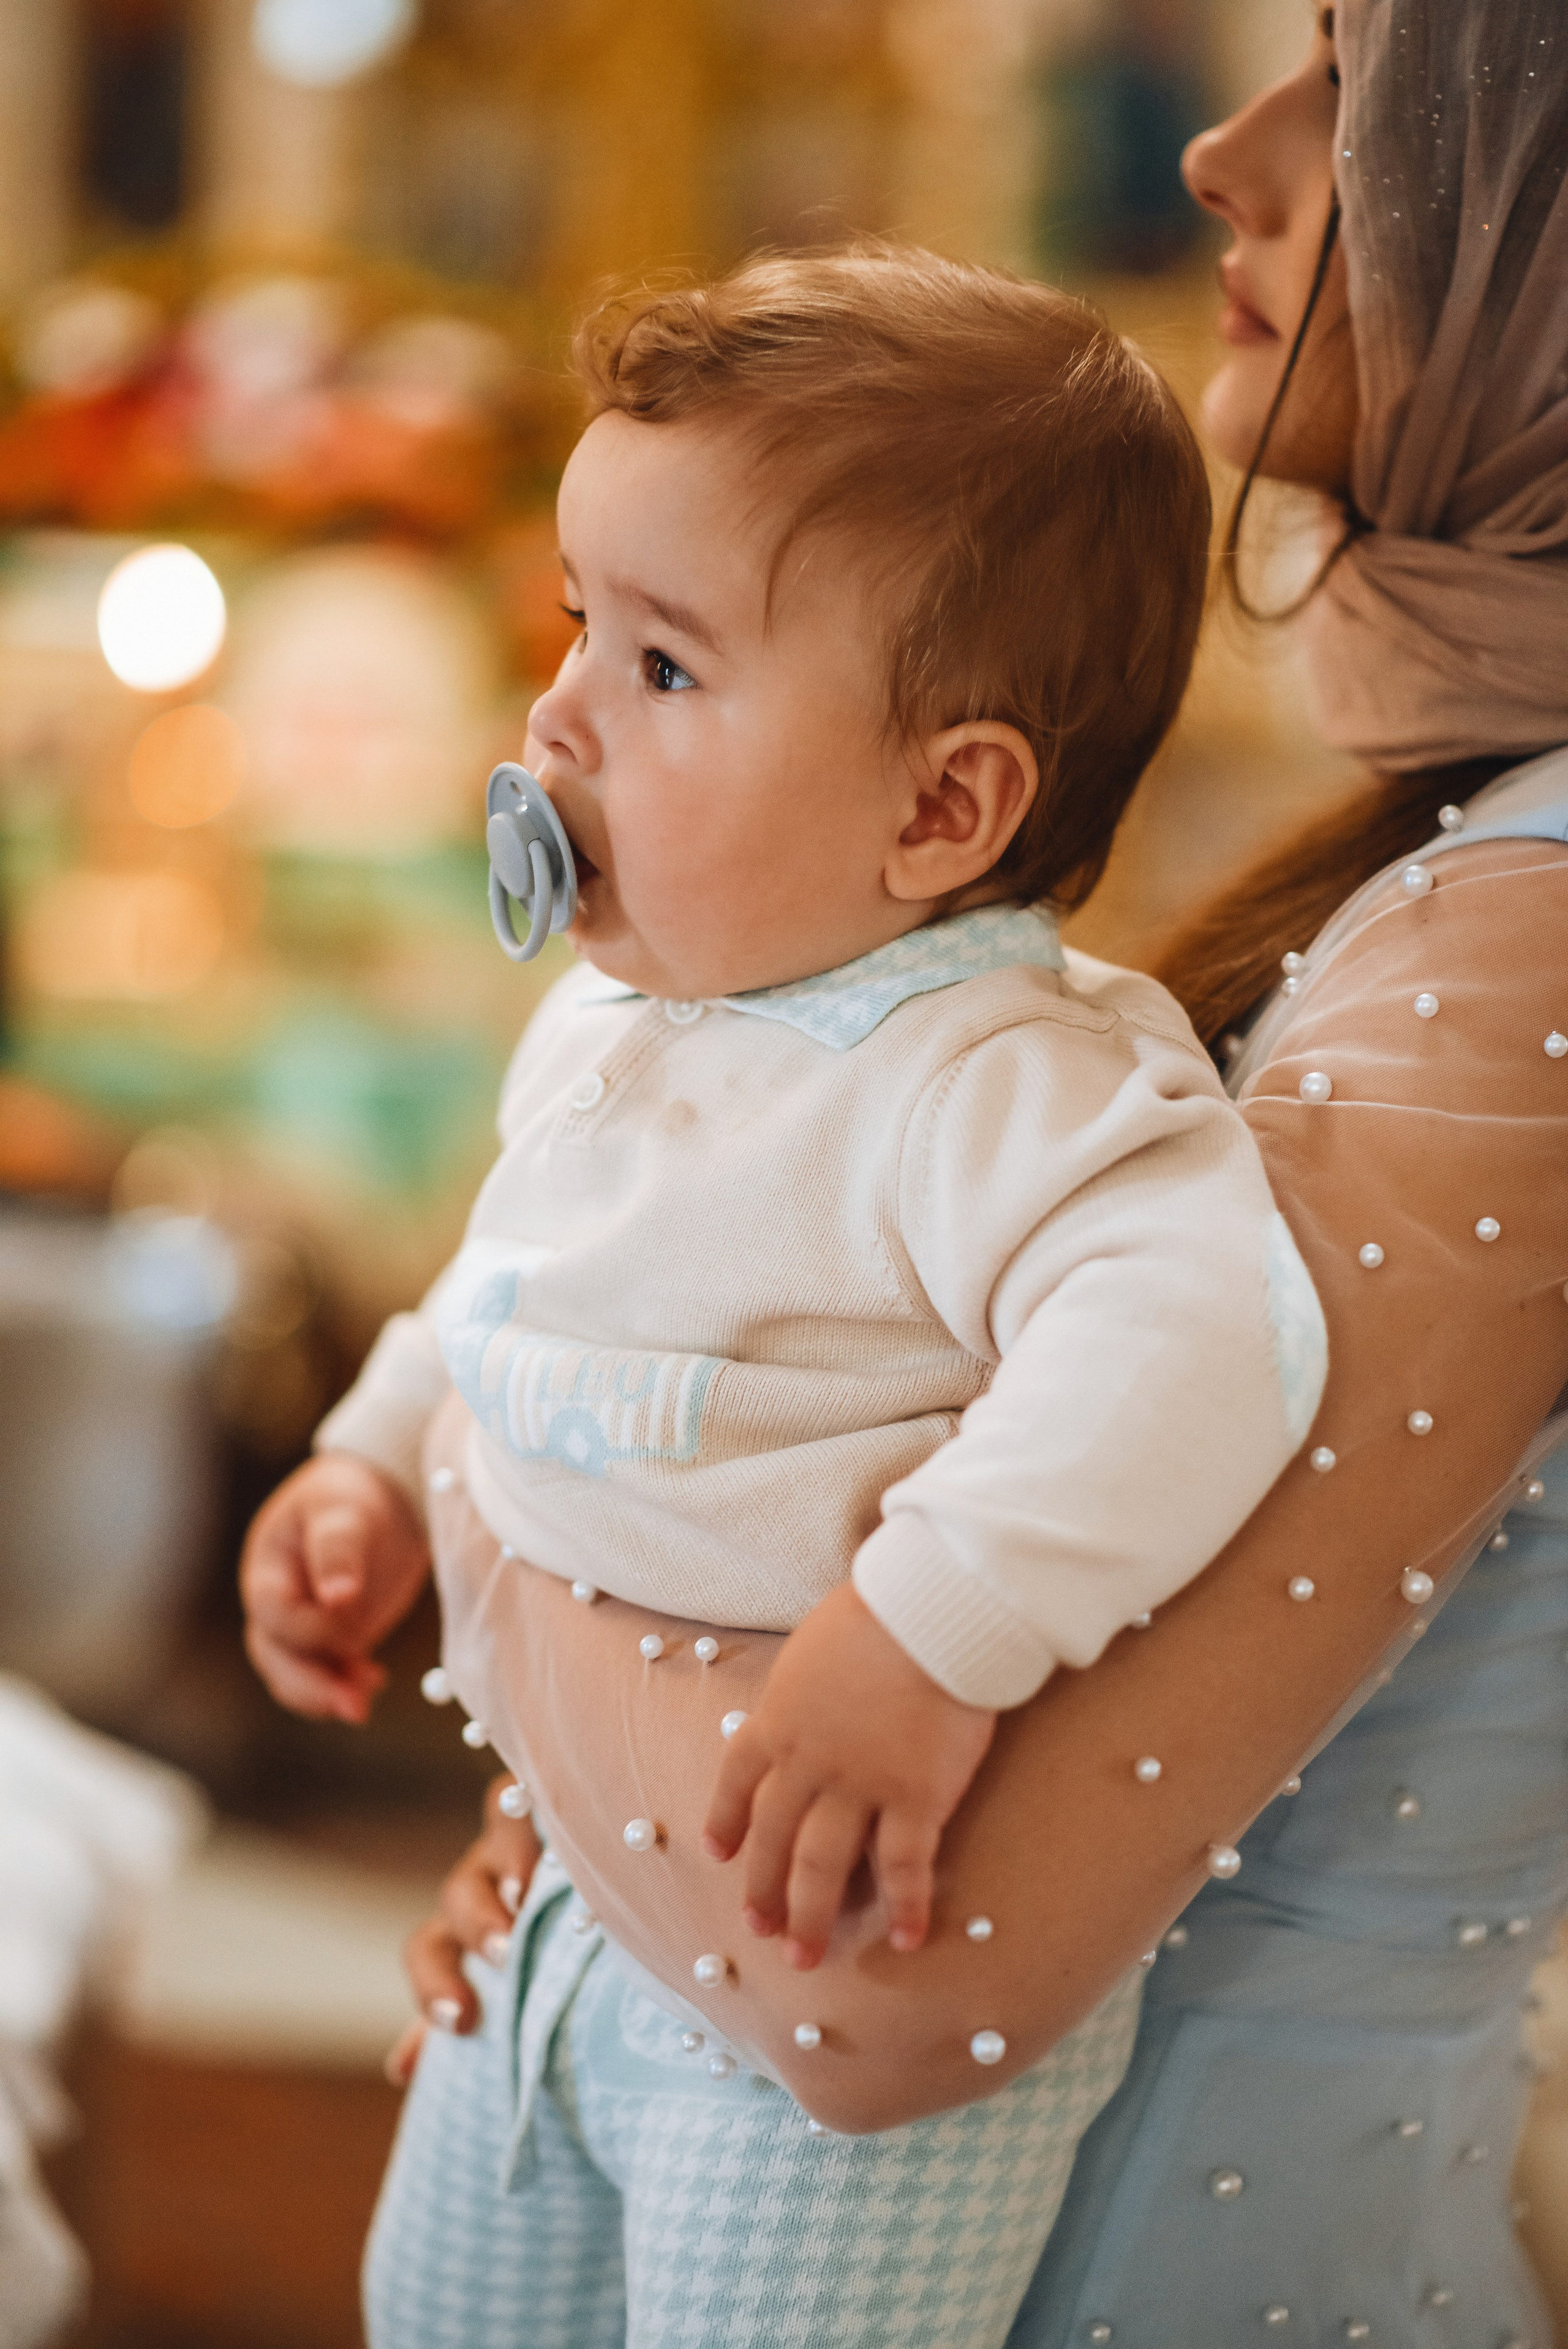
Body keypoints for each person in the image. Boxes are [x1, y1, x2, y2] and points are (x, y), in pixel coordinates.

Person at [375, 0, 1568, 2341]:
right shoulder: (1456, 838)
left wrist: (474, 1488)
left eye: (1375, 82)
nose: (1232, 149)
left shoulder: (1525, 939)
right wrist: (561, 1853)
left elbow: (877, 1995)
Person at [241, 250, 1334, 2345]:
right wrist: (375, 1460)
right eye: (580, 619)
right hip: (562, 1875)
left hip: (822, 1952)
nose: (556, 710)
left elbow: (1208, 1337)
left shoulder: (1006, 1071)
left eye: (664, 667)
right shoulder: (616, 1019)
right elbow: (511, 1277)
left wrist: (935, 1629)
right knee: (441, 2304)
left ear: (944, 807)